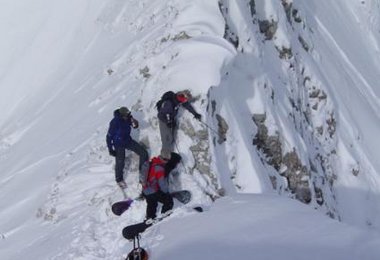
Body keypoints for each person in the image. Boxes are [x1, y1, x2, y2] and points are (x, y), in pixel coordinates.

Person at [106, 106, 149, 189]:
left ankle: (142, 175)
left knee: (143, 153)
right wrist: (111, 149)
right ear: (122, 115)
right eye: (126, 116)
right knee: (120, 161)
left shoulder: (128, 118)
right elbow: (108, 137)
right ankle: (119, 179)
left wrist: (133, 121)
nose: (127, 117)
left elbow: (135, 126)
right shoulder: (115, 122)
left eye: (128, 115)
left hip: (127, 140)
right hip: (118, 143)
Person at [156, 90, 202, 158]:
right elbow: (160, 115)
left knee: (171, 138)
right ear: (182, 97)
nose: (185, 101)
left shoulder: (179, 100)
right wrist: (167, 122)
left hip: (171, 119)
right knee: (166, 140)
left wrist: (195, 114)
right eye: (185, 99)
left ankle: (168, 155)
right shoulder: (169, 104)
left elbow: (187, 106)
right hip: (163, 120)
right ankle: (163, 159)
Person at [142, 152, 173, 221]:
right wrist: (166, 193)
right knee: (168, 201)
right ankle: (165, 217)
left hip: (145, 190)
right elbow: (162, 184)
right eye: (167, 160)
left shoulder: (151, 162)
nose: (167, 162)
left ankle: (149, 219)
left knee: (152, 205)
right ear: (164, 159)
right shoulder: (159, 168)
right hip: (153, 191)